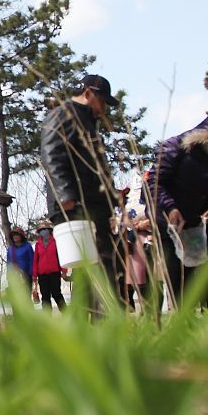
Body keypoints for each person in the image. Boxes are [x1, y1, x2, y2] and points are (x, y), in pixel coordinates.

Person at [144, 107, 208, 309]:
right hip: (169, 220)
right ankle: (184, 317)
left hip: (201, 220)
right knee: (180, 273)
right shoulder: (174, 148)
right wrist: (170, 208)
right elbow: (155, 183)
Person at [40, 74, 121, 291]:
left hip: (93, 203)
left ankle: (97, 320)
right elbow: (52, 155)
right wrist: (65, 196)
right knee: (94, 266)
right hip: (75, 205)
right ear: (88, 94)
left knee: (99, 264)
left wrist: (112, 199)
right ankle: (101, 319)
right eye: (102, 101)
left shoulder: (87, 122)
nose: (104, 109)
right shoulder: (64, 115)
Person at [31, 222, 67, 312]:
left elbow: (61, 256)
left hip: (55, 272)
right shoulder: (38, 244)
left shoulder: (56, 241)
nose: (44, 231)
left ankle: (67, 314)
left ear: (50, 230)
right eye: (41, 230)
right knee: (45, 296)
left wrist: (64, 270)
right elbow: (35, 260)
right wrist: (34, 275)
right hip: (42, 274)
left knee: (56, 294)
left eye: (45, 229)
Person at [6, 227, 34, 293]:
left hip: (26, 275)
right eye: (13, 235)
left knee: (26, 297)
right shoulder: (10, 249)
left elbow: (32, 260)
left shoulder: (27, 246)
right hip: (14, 276)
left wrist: (30, 274)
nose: (15, 237)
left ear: (21, 236)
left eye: (17, 235)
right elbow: (9, 263)